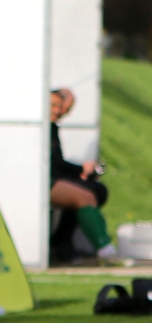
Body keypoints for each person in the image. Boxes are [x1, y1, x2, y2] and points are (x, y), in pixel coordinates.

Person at [48, 88, 116, 262]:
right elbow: (54, 164)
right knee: (85, 197)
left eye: (64, 108)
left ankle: (62, 243)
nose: (59, 111)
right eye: (55, 106)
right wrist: (80, 170)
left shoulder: (51, 128)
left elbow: (57, 163)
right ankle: (103, 248)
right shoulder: (41, 129)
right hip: (43, 182)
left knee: (96, 190)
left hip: (53, 178)